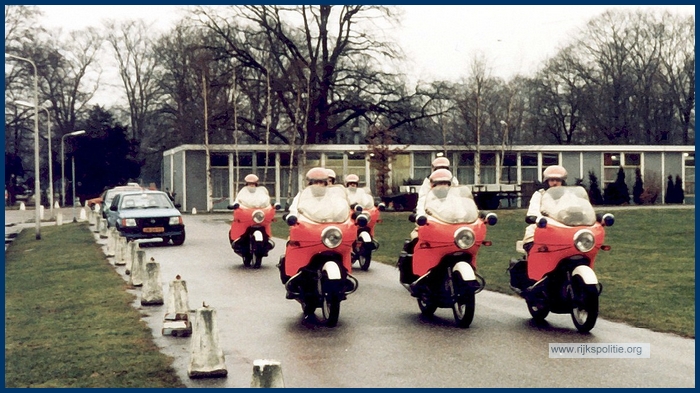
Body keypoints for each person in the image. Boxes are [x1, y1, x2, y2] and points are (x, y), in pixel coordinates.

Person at [398, 168, 455, 284]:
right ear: (433, 185)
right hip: (431, 228)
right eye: (439, 184)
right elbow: (420, 208)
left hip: (451, 230)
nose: (442, 186)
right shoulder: (427, 197)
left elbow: (463, 210)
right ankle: (417, 275)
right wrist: (420, 217)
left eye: (445, 183)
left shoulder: (455, 199)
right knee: (416, 239)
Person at [521, 165, 567, 254]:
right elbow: (533, 210)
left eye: (558, 180)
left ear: (562, 181)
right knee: (532, 240)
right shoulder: (540, 194)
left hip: (564, 229)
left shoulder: (568, 195)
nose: (555, 183)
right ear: (547, 181)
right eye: (552, 180)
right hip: (542, 227)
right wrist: (537, 218)